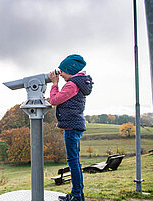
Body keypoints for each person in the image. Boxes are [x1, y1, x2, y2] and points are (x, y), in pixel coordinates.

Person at [48, 54, 93, 201]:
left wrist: (54, 84)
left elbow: (55, 100)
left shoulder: (72, 84)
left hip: (71, 128)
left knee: (73, 162)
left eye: (62, 71)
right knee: (75, 162)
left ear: (70, 70)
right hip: (75, 127)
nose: (60, 74)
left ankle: (76, 196)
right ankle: (78, 195)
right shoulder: (78, 83)